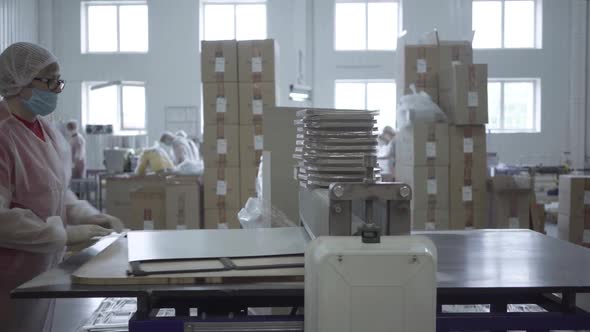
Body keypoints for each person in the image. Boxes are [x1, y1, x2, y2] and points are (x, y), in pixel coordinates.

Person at [0, 42, 124, 332]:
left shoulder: (47, 131)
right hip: (9, 275)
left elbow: (57, 189)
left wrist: (87, 215)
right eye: (49, 80)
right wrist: (63, 234)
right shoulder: (3, 135)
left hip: (45, 269)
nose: (56, 89)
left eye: (59, 81)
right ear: (19, 81)